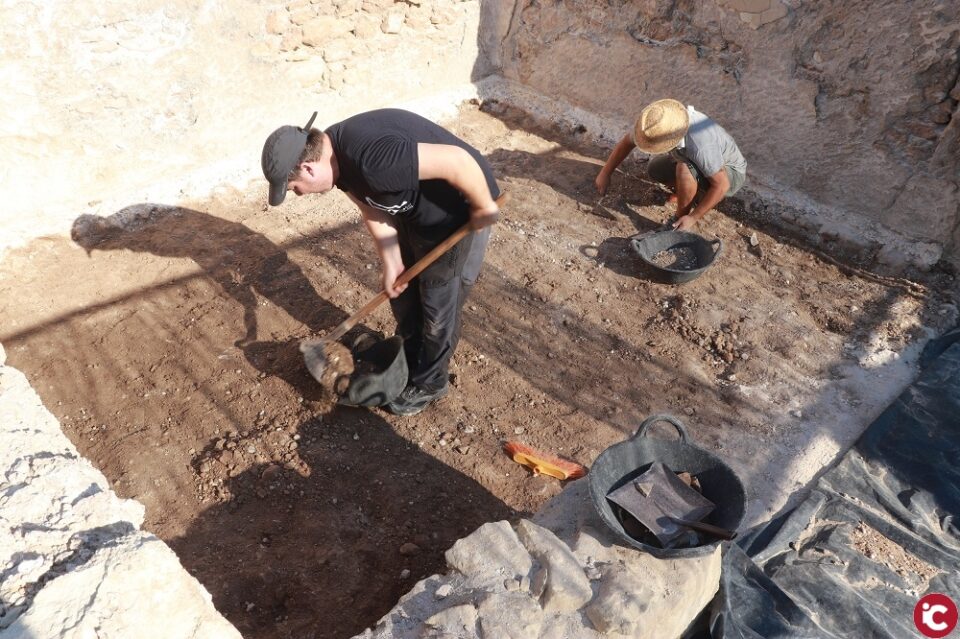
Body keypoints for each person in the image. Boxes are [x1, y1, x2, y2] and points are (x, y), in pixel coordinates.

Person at [261, 109, 501, 416]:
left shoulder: (372, 159)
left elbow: (458, 162)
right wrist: (391, 262)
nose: (298, 194)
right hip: (416, 211)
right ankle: (410, 356)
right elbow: (372, 207)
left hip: (458, 210)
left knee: (439, 307)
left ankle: (430, 382)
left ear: (308, 169)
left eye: (294, 188)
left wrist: (482, 206)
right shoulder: (335, 157)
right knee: (404, 297)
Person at [595, 98, 746, 231]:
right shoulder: (657, 124)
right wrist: (605, 173)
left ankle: (678, 221)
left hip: (730, 173)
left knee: (684, 169)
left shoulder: (700, 143)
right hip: (700, 161)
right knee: (655, 170)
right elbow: (626, 143)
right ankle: (688, 194)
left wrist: (692, 218)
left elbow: (722, 185)